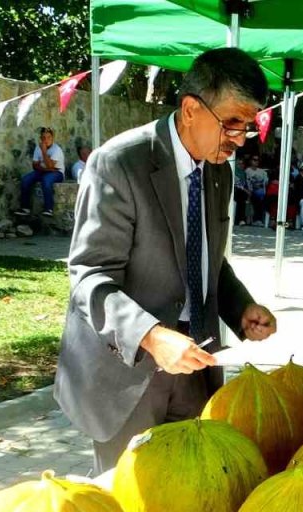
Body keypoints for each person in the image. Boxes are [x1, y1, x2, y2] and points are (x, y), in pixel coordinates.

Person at [54, 48, 278, 474]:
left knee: (190, 493)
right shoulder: (119, 163)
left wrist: (241, 307)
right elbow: (89, 277)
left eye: (248, 127)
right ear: (191, 110)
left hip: (197, 363)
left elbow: (206, 259)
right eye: (232, 122)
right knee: (127, 500)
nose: (239, 139)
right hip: (129, 372)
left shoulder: (218, 171)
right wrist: (152, 336)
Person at [18, 127, 65, 214]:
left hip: (57, 173)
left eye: (49, 137)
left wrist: (44, 151)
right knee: (25, 180)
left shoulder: (56, 150)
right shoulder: (37, 148)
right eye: (43, 137)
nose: (46, 140)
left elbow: (50, 165)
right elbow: (35, 166)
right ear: (40, 138)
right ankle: (25, 208)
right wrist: (47, 169)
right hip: (45, 171)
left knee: (46, 180)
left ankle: (48, 209)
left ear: (52, 138)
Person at [244, 155, 270, 226]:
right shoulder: (247, 171)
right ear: (251, 161)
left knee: (266, 199)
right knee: (257, 198)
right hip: (251, 191)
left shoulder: (262, 171)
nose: (256, 161)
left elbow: (266, 181)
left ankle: (262, 220)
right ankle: (257, 220)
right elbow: (247, 182)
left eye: (257, 160)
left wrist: (261, 184)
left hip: (262, 191)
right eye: (254, 160)